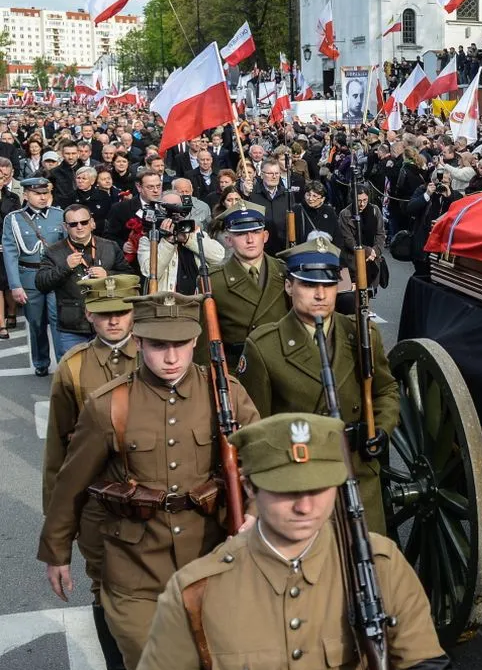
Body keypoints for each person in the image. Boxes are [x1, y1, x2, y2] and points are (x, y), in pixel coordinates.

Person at [110, 412, 462, 670]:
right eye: (286, 490)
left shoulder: (379, 565)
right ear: (250, 486)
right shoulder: (197, 592)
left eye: (319, 487)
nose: (305, 506)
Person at [37, 291, 261, 670]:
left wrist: (253, 508)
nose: (171, 356)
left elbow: (261, 461)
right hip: (135, 568)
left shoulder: (226, 396)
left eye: (180, 344)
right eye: (158, 345)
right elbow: (71, 483)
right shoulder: (108, 405)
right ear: (138, 342)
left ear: (196, 341)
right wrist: (57, 552)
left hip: (208, 560)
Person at [236, 238, 399, 535]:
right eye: (309, 285)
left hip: (359, 476)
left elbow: (386, 391)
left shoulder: (360, 335)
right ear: (289, 286)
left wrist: (380, 429)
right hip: (301, 488)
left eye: (329, 284)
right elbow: (254, 430)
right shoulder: (264, 348)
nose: (321, 294)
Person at [41, 273, 141, 670]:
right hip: (101, 506)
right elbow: (58, 457)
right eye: (104, 314)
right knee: (106, 594)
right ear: (89, 316)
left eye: (121, 312)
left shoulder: (159, 353)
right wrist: (57, 534)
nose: (114, 321)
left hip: (162, 502)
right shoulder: (74, 367)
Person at [196, 201, 289, 370]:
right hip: (237, 369)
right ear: (229, 240)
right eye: (241, 234)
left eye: (255, 231)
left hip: (282, 366)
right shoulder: (213, 280)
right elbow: (204, 338)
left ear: (265, 236)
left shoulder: (284, 272)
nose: (250, 239)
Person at [36, 202, 135, 358]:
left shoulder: (109, 246)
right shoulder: (53, 252)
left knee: (108, 371)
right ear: (65, 226)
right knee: (73, 375)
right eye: (73, 224)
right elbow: (41, 283)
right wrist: (65, 266)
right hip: (72, 326)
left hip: (106, 321)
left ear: (92, 223)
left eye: (84, 222)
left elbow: (130, 277)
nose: (80, 227)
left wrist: (108, 275)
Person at [3, 177, 65, 375]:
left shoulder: (59, 215)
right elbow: (11, 253)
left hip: (54, 276)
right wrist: (15, 285)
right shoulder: (13, 218)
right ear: (26, 194)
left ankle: (63, 364)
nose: (42, 197)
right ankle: (40, 362)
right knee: (36, 321)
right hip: (29, 275)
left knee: (58, 320)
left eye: (45, 193)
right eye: (37, 193)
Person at [137, 190, 226, 294]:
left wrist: (188, 240)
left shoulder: (195, 233)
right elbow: (149, 272)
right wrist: (168, 241)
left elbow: (220, 258)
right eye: (168, 208)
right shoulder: (149, 239)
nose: (175, 215)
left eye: (178, 207)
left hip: (198, 300)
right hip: (169, 302)